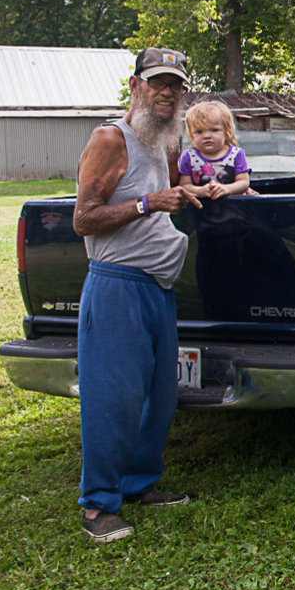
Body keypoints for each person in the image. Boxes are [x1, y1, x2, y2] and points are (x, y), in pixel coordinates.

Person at [70, 47, 203, 542]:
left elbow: (163, 198)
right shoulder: (112, 138)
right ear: (135, 85)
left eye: (176, 85)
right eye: (158, 83)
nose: (167, 92)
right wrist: (149, 202)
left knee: (158, 396)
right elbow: (84, 217)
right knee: (113, 398)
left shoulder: (163, 143)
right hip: (117, 284)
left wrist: (192, 194)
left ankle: (139, 484)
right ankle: (97, 505)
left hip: (156, 286)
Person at [178, 100, 252, 200]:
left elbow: (243, 182)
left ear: (227, 131)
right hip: (202, 209)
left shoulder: (236, 154)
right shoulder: (189, 156)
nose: (207, 136)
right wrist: (200, 191)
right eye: (199, 131)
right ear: (191, 135)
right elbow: (184, 185)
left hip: (234, 207)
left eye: (214, 130)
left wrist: (227, 189)